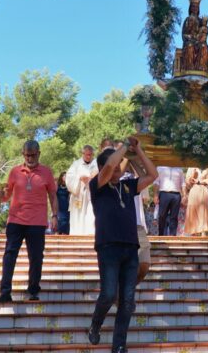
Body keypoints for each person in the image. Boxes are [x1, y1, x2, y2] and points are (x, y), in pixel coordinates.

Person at [86, 137, 157, 353]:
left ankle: (119, 345)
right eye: (114, 166)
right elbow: (108, 165)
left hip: (130, 247)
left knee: (127, 300)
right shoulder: (97, 185)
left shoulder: (128, 185)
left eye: (119, 166)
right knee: (108, 294)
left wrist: (139, 150)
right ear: (102, 169)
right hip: (108, 247)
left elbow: (153, 175)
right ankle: (95, 324)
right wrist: (124, 146)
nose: (117, 169)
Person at [0, 140, 58, 303]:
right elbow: (7, 195)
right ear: (23, 154)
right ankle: (5, 292)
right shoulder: (14, 172)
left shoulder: (46, 172)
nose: (30, 158)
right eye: (27, 155)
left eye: (33, 155)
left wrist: (55, 216)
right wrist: (1, 196)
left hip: (37, 221)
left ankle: (33, 290)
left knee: (36, 257)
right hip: (15, 220)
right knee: (9, 255)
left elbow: (53, 195)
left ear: (39, 153)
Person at [66, 145, 98, 235]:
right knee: (78, 217)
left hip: (91, 195)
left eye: (90, 155)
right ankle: (77, 234)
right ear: (82, 154)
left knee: (91, 216)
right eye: (87, 154)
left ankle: (90, 235)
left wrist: (92, 177)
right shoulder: (76, 164)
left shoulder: (96, 163)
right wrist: (79, 178)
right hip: (79, 194)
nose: (89, 157)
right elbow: (69, 178)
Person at [152, 166, 186, 236]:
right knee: (162, 215)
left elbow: (183, 183)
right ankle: (161, 235)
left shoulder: (179, 169)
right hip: (164, 193)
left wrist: (184, 196)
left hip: (176, 194)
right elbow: (156, 182)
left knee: (174, 217)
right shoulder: (160, 168)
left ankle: (172, 236)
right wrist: (155, 195)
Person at [184, 167, 208, 236]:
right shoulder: (191, 168)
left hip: (204, 191)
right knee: (193, 211)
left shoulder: (207, 168)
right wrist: (193, 176)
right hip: (194, 190)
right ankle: (193, 232)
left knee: (203, 210)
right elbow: (188, 183)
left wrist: (199, 182)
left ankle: (203, 233)